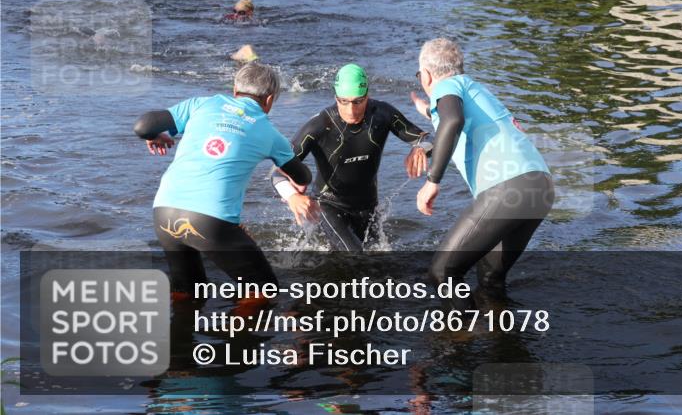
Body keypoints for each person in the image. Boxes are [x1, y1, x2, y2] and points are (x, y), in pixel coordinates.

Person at [133, 62, 313, 301]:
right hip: (210, 221)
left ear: (235, 90)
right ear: (269, 100)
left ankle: (180, 333)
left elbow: (143, 126)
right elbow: (303, 176)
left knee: (188, 290)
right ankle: (237, 335)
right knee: (263, 290)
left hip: (163, 211)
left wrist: (155, 136)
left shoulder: (201, 104)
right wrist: (297, 187)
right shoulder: (269, 133)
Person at [410, 38, 553, 302]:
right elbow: (454, 119)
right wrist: (430, 113)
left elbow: (453, 120)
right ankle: (501, 338)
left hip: (509, 189)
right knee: (489, 280)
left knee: (442, 272)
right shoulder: (473, 88)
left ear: (427, 76)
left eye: (420, 75)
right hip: (540, 187)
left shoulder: (447, 86)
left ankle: (456, 340)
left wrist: (432, 180)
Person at [271, 64, 430, 251]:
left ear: (367, 95)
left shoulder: (382, 114)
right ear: (335, 96)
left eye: (358, 102)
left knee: (378, 261)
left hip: (368, 208)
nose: (351, 110)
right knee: (356, 257)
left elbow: (428, 139)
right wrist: (292, 197)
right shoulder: (320, 125)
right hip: (329, 205)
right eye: (343, 101)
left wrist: (420, 147)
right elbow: (276, 171)